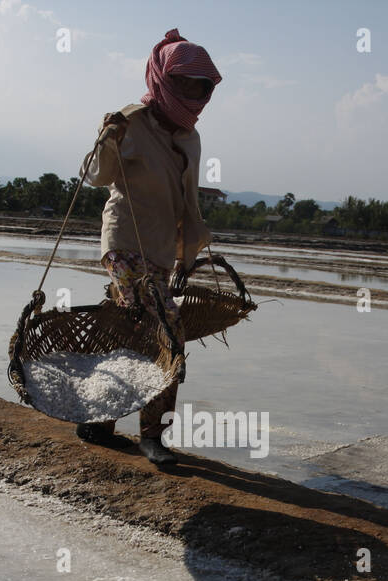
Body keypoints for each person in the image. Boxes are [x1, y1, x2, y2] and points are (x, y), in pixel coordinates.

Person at [81, 28, 221, 467]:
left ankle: (98, 422)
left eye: (198, 86)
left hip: (159, 250)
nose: (192, 93)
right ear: (162, 78)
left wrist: (186, 255)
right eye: (182, 83)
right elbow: (96, 175)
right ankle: (152, 437)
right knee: (167, 330)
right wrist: (108, 136)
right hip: (124, 244)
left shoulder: (188, 137)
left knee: (132, 332)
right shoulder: (132, 121)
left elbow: (187, 203)